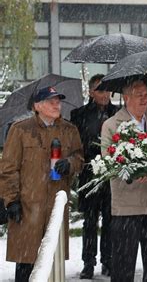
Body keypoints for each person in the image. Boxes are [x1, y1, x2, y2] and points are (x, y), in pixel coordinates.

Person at [0, 86, 83, 282]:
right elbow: (8, 169)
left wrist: (69, 163)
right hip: (28, 206)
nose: (56, 104)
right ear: (37, 106)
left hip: (55, 206)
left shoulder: (69, 130)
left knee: (53, 262)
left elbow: (80, 158)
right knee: (27, 262)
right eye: (51, 101)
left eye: (58, 100)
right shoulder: (20, 129)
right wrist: (11, 201)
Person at [101, 79, 147, 282]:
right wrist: (134, 172)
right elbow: (109, 162)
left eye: (146, 94)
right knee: (124, 264)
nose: (145, 99)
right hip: (127, 205)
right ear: (126, 98)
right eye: (139, 94)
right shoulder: (111, 125)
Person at [70, 74, 118, 279]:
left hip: (112, 174)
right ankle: (88, 263)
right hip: (89, 172)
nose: (105, 94)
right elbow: (74, 144)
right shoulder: (79, 114)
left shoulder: (117, 113)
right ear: (90, 92)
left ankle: (108, 260)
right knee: (89, 221)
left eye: (107, 90)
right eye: (100, 89)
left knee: (110, 219)